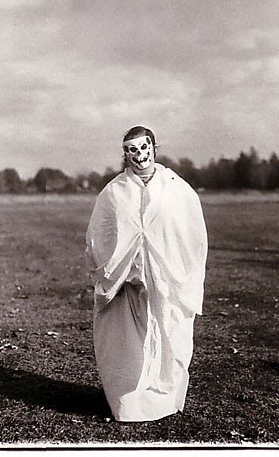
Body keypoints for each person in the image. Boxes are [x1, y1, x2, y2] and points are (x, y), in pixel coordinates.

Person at [85, 125, 208, 422]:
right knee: (127, 346)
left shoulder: (176, 188)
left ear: (153, 147)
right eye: (131, 150)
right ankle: (130, 405)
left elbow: (192, 235)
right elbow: (99, 236)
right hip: (125, 285)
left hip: (167, 281)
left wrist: (176, 269)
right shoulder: (114, 192)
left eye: (143, 147)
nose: (139, 155)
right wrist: (123, 268)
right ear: (125, 154)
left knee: (169, 335)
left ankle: (164, 400)